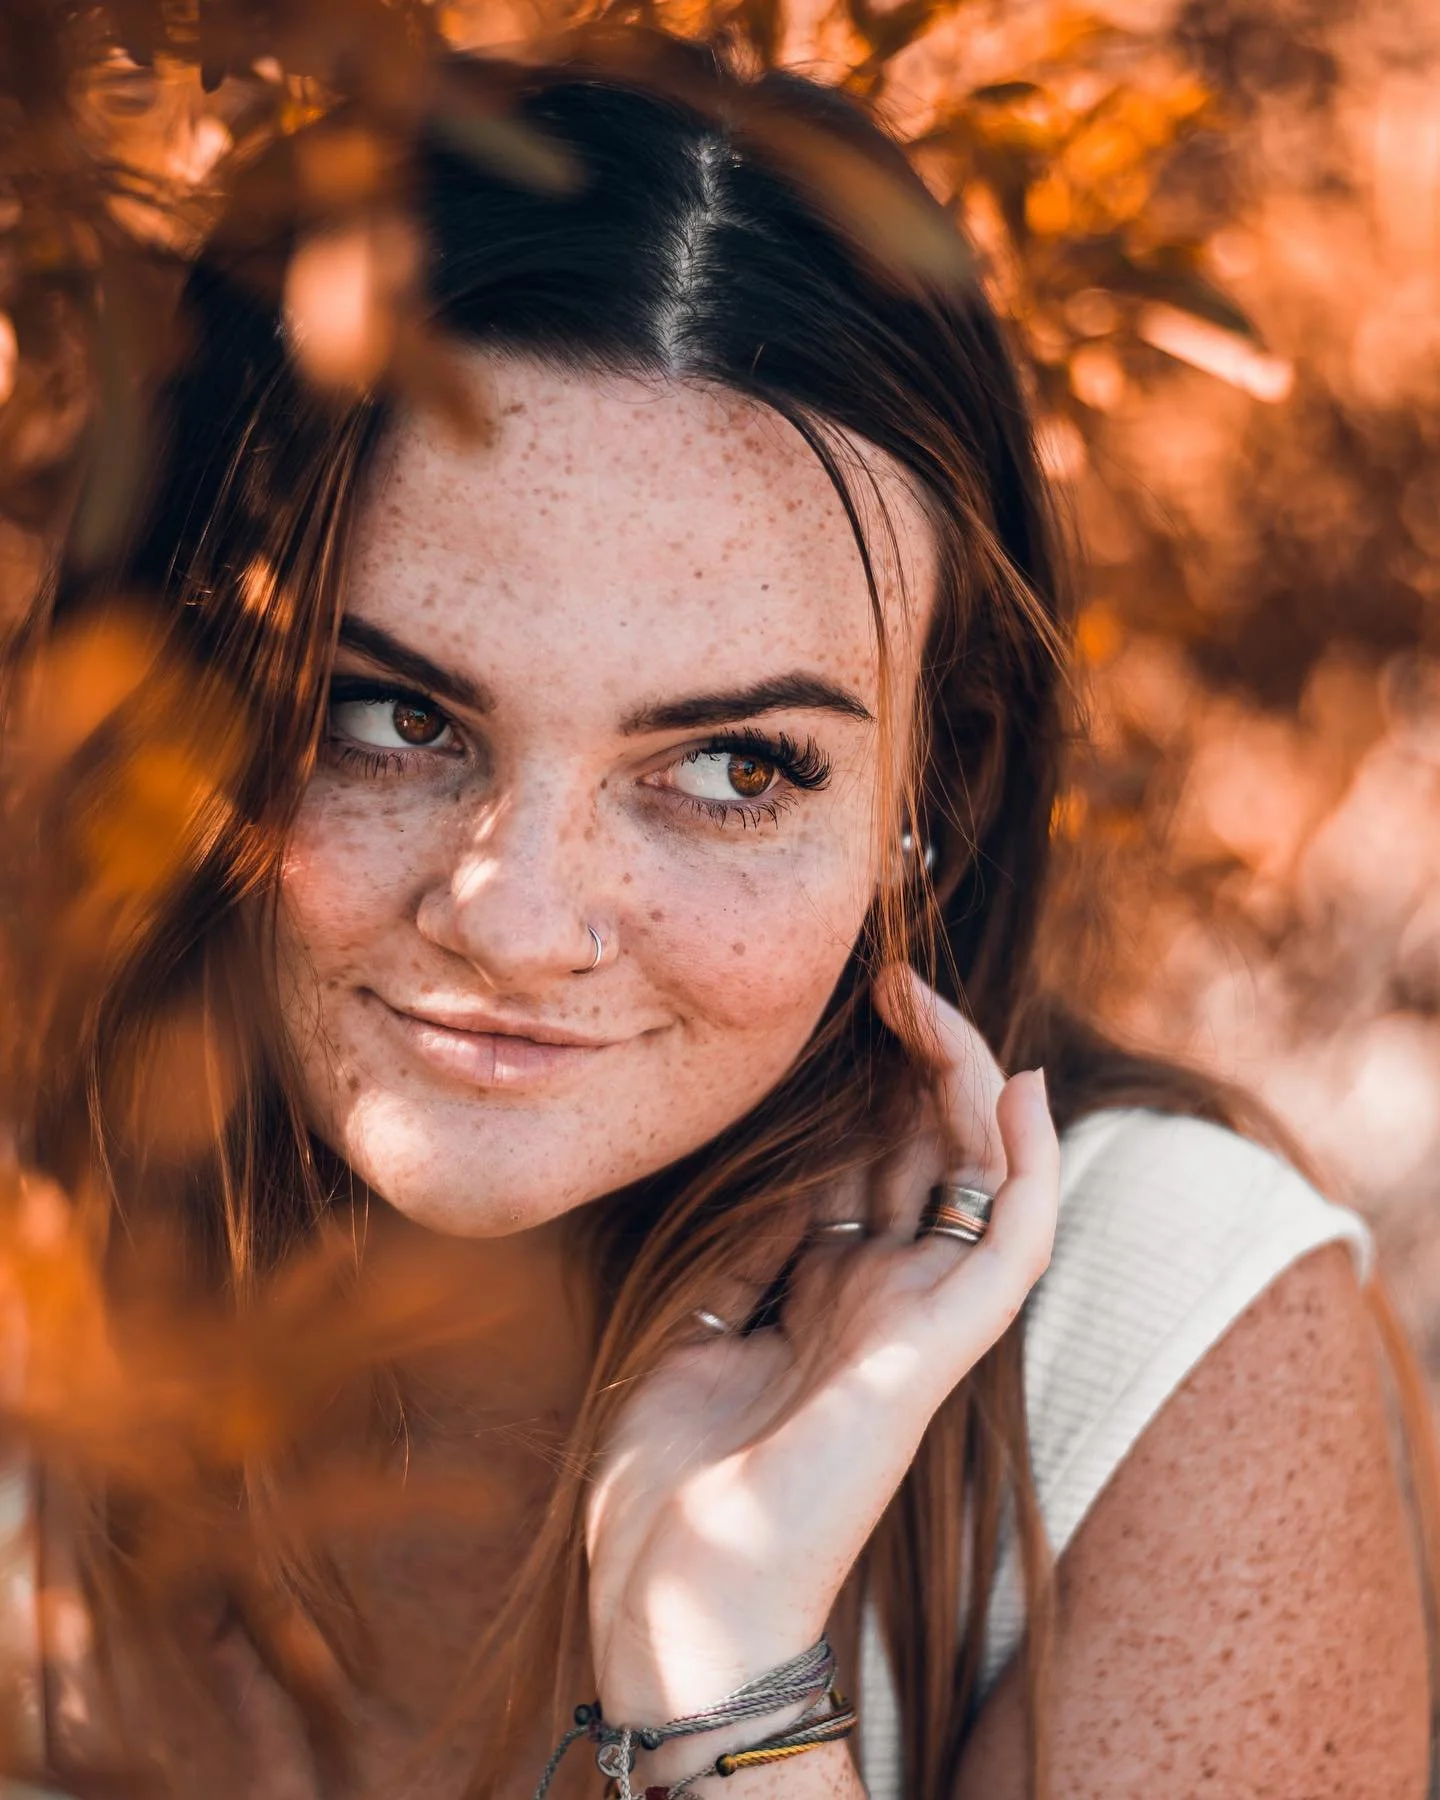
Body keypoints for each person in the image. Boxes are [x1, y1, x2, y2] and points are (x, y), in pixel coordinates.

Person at [0, 33, 1430, 1800]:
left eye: (738, 766)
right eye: (389, 715)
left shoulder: (1147, 1348)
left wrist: (726, 1673)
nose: (520, 919)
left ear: (933, 798)